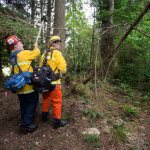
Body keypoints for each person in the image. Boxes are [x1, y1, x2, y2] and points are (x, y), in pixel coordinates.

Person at [5, 35, 40, 132]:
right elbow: (36, 53)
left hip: (19, 88)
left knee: (23, 104)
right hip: (28, 87)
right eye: (20, 43)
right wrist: (36, 46)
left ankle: (24, 120)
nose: (22, 44)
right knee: (32, 103)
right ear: (15, 46)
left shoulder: (12, 57)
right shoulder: (23, 54)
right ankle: (26, 124)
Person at [40, 35, 67, 129]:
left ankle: (44, 116)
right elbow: (63, 67)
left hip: (44, 83)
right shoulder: (57, 53)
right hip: (55, 83)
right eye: (56, 42)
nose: (58, 44)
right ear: (52, 44)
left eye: (59, 42)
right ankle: (57, 122)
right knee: (57, 102)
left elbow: (40, 68)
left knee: (46, 99)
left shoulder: (43, 54)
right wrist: (62, 73)